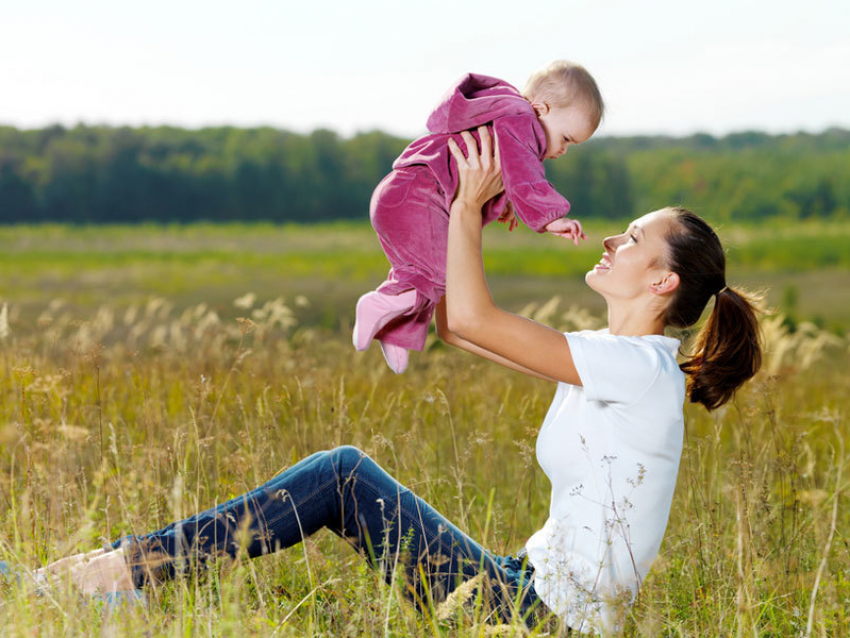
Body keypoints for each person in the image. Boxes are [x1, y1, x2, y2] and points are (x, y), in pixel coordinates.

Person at [14, 128, 762, 635]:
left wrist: (468, 207)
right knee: (341, 479)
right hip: (518, 585)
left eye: (632, 238)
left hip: (539, 620)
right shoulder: (607, 353)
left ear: (662, 280)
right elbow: (457, 325)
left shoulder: (635, 369)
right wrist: (433, 223)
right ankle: (91, 576)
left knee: (343, 474)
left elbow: (473, 321)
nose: (612, 238)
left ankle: (110, 574)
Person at [353, 60, 601, 374]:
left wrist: (506, 201)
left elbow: (505, 169)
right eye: (567, 138)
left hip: (403, 196)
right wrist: (550, 217)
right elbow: (525, 173)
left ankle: (395, 331)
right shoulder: (522, 118)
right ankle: (378, 304)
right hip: (417, 197)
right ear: (541, 109)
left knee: (428, 274)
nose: (564, 150)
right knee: (448, 274)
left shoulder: (505, 119)